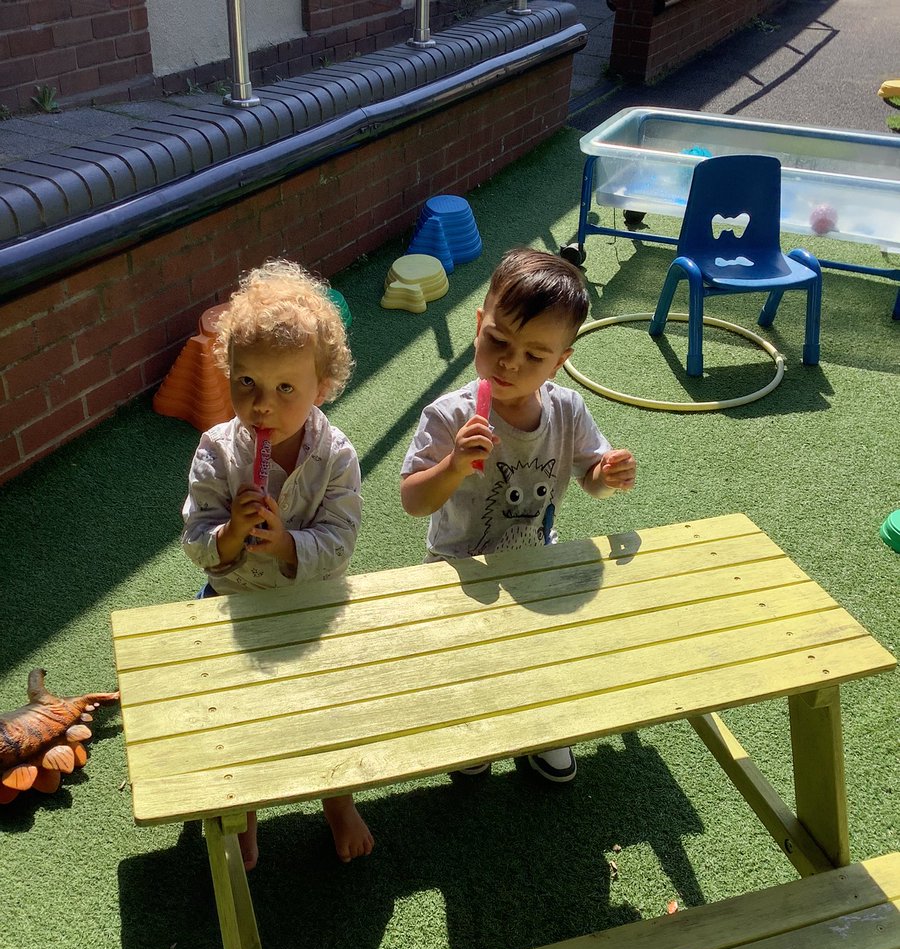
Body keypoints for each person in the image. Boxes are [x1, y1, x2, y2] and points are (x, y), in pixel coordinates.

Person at [400, 246, 636, 783]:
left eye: (534, 355)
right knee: (469, 658)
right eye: (498, 341)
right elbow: (414, 501)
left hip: (534, 561)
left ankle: (542, 728)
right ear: (478, 325)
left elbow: (589, 478)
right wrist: (455, 465)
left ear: (560, 360)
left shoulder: (568, 411)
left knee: (540, 649)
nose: (510, 363)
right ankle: (474, 729)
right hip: (459, 565)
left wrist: (607, 475)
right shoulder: (449, 416)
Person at [181, 259, 374, 868]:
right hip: (233, 604)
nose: (262, 406)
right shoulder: (217, 451)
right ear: (229, 377)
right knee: (238, 717)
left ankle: (336, 798)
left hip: (309, 604)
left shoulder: (336, 455)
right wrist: (232, 533)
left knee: (325, 709)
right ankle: (248, 812)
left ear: (322, 386)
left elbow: (340, 540)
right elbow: (195, 537)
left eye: (285, 389)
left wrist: (290, 544)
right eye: (247, 385)